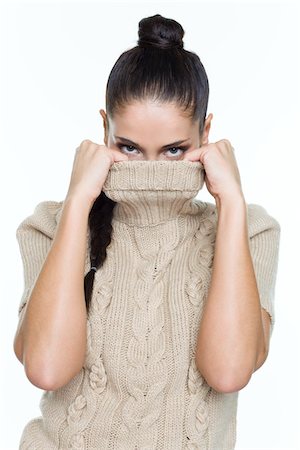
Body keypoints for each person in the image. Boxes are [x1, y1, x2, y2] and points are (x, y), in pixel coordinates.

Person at [13, 13, 281, 450]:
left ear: (206, 135)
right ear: (104, 131)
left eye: (175, 150)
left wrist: (231, 203)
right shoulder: (51, 226)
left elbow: (228, 372)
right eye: (129, 149)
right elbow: (46, 369)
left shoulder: (250, 232)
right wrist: (78, 203)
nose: (153, 171)